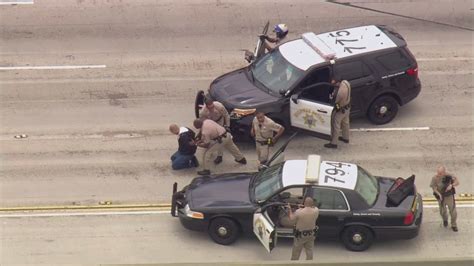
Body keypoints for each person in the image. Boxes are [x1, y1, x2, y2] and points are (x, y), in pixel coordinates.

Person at [199, 97, 230, 165]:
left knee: (220, 138)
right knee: (209, 137)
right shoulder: (203, 112)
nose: (211, 108)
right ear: (206, 106)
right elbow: (202, 122)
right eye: (209, 107)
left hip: (219, 121)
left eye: (212, 106)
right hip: (210, 122)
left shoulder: (219, 106)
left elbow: (226, 115)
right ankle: (210, 149)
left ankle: (220, 155)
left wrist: (227, 126)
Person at [430, 166, 459, 232]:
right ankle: (445, 219)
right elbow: (433, 188)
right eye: (438, 172)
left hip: (449, 196)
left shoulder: (449, 176)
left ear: (444, 172)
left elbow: (457, 182)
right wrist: (439, 194)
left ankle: (453, 225)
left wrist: (451, 185)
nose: (438, 174)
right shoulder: (435, 178)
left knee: (453, 211)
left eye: (440, 173)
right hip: (441, 197)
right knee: (442, 211)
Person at [324, 78, 351, 149]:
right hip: (347, 107)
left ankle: (333, 143)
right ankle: (346, 138)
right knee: (345, 123)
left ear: (338, 82)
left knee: (335, 125)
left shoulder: (340, 93)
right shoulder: (346, 82)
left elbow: (336, 102)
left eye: (335, 84)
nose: (334, 86)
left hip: (340, 109)